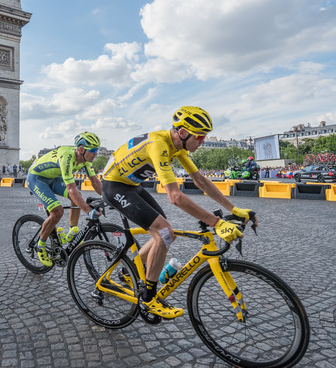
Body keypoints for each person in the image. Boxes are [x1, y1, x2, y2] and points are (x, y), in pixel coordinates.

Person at [101, 106, 257, 319]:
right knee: (164, 232)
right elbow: (175, 197)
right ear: (182, 133)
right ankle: (148, 298)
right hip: (114, 186)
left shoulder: (179, 148)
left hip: (132, 185)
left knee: (167, 235)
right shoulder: (158, 145)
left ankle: (127, 271)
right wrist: (216, 223)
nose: (202, 141)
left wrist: (235, 209)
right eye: (200, 136)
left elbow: (200, 180)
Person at [26, 132, 103, 267]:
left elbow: (95, 182)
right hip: (37, 178)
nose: (96, 153)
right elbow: (71, 189)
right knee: (57, 211)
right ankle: (41, 245)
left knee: (76, 196)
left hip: (53, 177)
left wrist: (110, 198)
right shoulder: (67, 156)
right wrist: (88, 210)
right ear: (81, 150)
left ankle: (73, 230)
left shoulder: (85, 160)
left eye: (97, 149)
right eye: (93, 150)